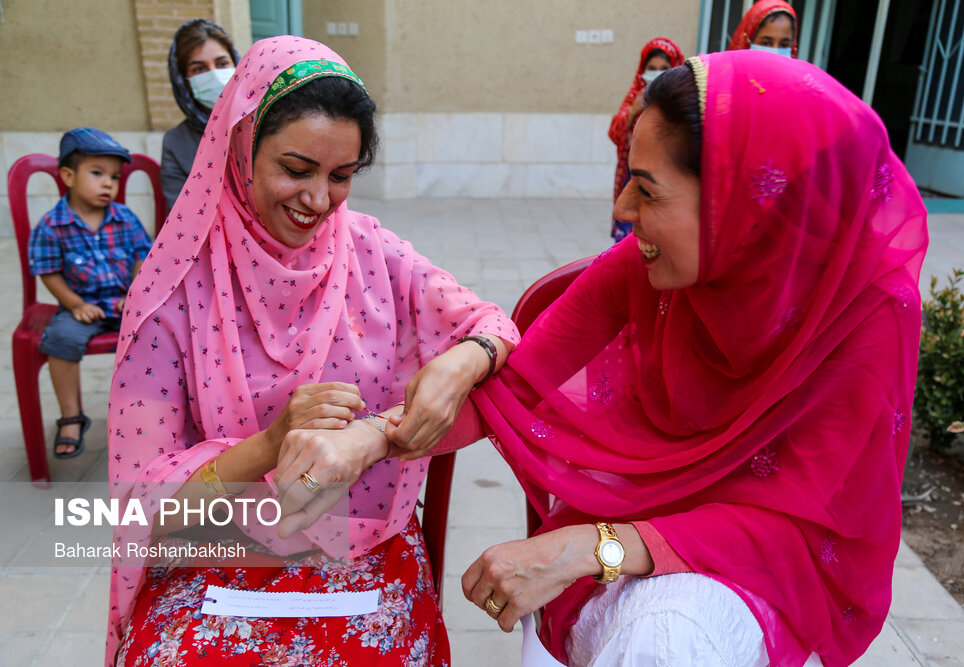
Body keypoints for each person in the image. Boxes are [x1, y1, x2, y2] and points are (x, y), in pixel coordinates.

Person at [293, 50, 928, 665]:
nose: (621, 211)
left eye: (647, 191)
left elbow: (805, 527)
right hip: (222, 532)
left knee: (669, 633)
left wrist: (588, 548)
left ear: (743, 206)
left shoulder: (864, 312)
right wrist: (364, 438)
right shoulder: (190, 287)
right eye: (293, 168)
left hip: (759, 571)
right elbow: (516, 388)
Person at [106, 36, 517, 665]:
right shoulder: (174, 291)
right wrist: (273, 445)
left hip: (361, 543)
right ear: (240, 150)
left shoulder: (372, 251)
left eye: (342, 176)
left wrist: (462, 360)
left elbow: (492, 326)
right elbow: (142, 511)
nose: (318, 201)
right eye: (296, 170)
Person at [28, 128, 152, 459]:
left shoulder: (124, 217)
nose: (108, 183)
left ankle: (148, 409)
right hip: (81, 307)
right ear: (68, 176)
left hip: (126, 303)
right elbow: (48, 271)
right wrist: (75, 304)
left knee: (159, 332)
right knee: (61, 339)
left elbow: (144, 254)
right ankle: (71, 416)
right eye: (97, 174)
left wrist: (136, 294)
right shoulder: (53, 225)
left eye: (113, 176)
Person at [608, 37, 683, 243]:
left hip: (665, 181)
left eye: (664, 68)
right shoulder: (635, 98)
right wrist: (633, 112)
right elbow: (615, 133)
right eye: (652, 68)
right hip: (633, 177)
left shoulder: (682, 104)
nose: (657, 73)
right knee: (629, 235)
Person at [161, 18, 240, 212]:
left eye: (222, 63)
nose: (213, 75)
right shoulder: (176, 143)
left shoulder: (265, 122)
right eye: (199, 69)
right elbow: (181, 217)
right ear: (184, 81)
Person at [728, 0, 798, 57]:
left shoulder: (802, 74)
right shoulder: (729, 73)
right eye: (766, 43)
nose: (776, 52)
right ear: (748, 41)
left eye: (784, 45)